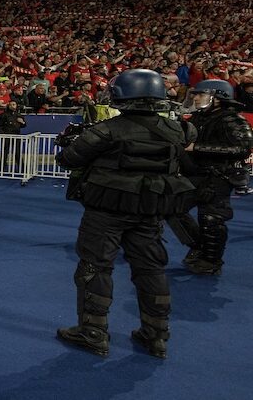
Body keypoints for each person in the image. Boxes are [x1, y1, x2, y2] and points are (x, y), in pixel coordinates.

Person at [55, 69, 196, 359]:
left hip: (106, 211)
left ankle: (93, 332)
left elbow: (68, 159)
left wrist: (69, 141)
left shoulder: (106, 130)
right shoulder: (178, 130)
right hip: (149, 211)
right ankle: (156, 334)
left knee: (95, 267)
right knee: (151, 269)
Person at [171, 80, 253, 275]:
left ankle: (211, 261)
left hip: (220, 177)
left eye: (201, 94)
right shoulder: (199, 118)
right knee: (172, 207)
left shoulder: (232, 119)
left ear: (217, 98)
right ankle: (198, 245)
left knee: (211, 219)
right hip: (197, 174)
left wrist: (196, 148)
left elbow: (242, 148)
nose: (196, 98)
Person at [0, 100, 27, 172]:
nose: (13, 106)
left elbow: (24, 125)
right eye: (11, 104)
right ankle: (2, 168)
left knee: (17, 153)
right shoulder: (3, 115)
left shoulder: (19, 115)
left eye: (14, 104)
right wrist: (3, 134)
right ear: (8, 106)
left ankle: (22, 169)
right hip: (6, 136)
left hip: (16, 136)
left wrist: (22, 122)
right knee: (5, 153)